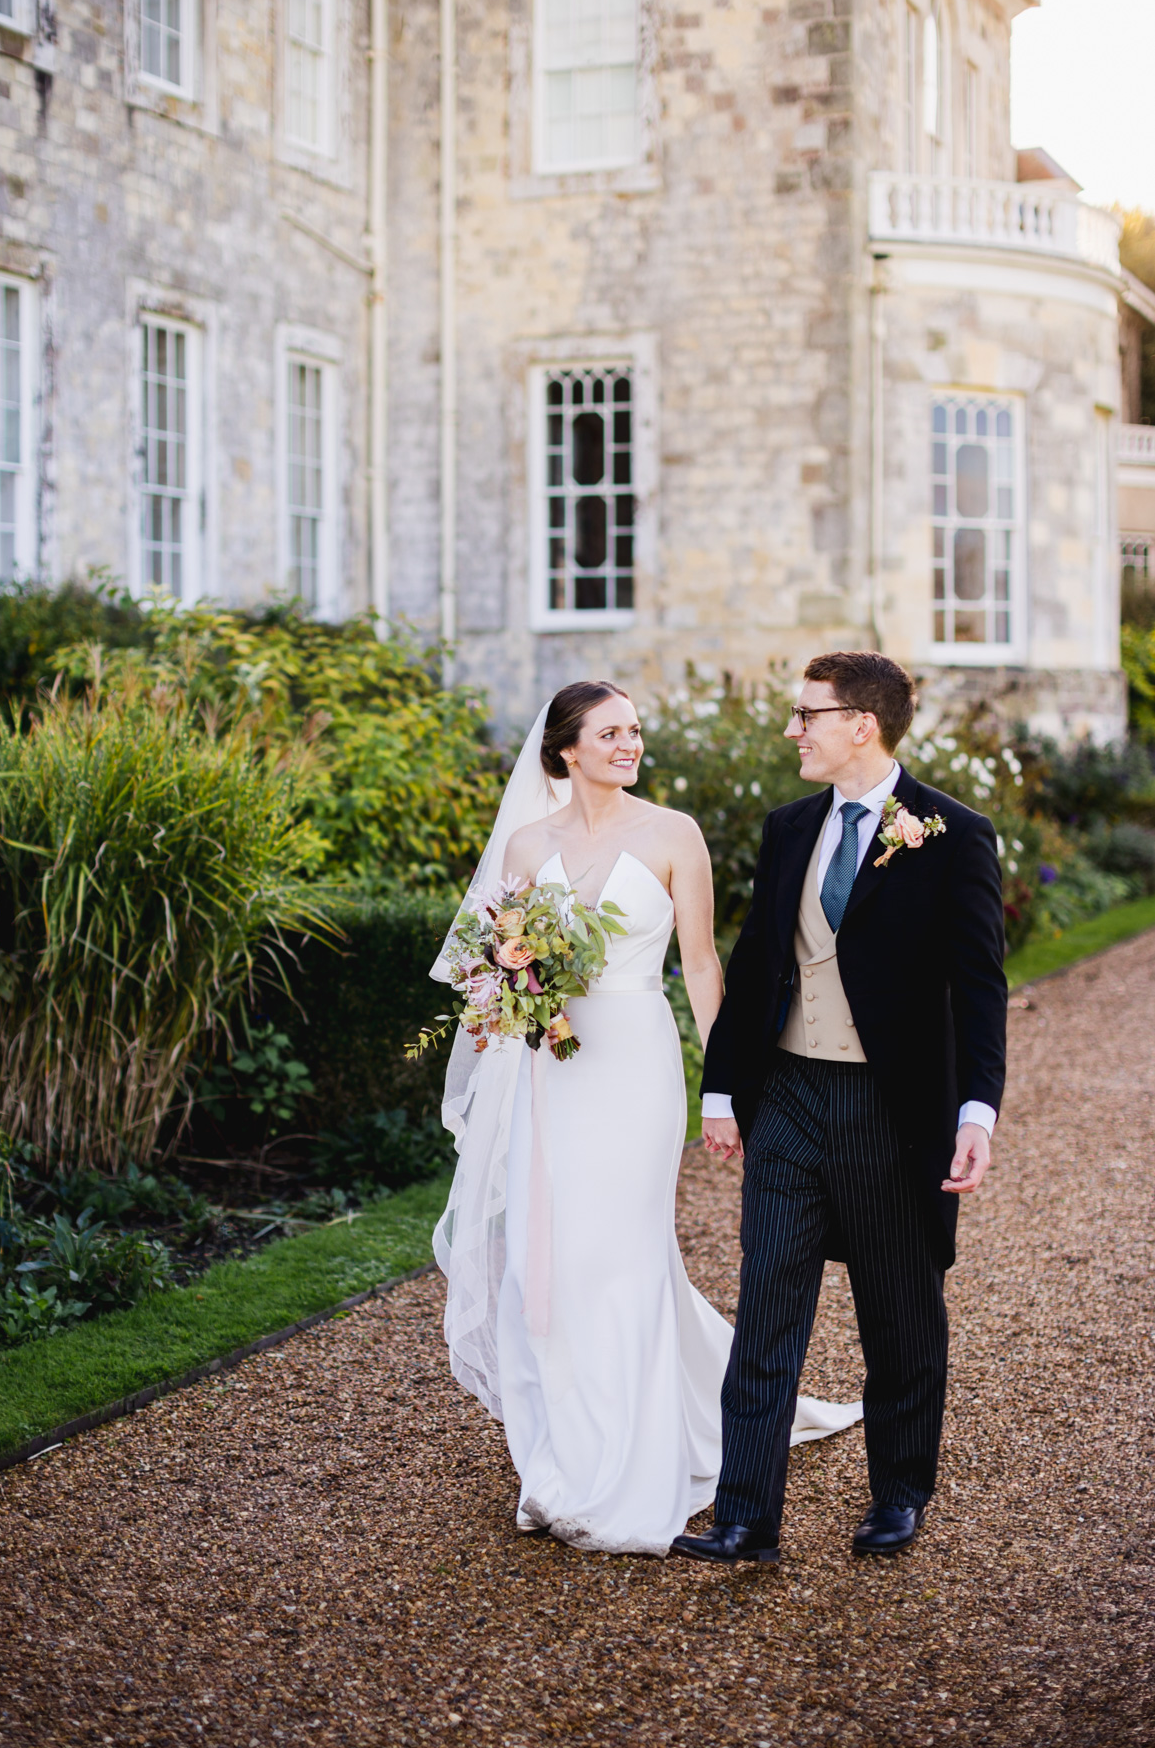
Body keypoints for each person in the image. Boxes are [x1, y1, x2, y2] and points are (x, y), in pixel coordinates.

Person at [431, 681, 861, 1556]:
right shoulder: (526, 844)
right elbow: (490, 967)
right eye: (610, 733)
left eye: (634, 730)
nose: (629, 745)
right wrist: (510, 995)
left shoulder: (673, 834)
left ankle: (629, 1461)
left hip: (635, 1065)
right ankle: (564, 1453)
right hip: (551, 1070)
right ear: (566, 750)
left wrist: (727, 1085)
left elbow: (700, 966)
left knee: (620, 1250)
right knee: (549, 1255)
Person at [671, 651, 1008, 1566]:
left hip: (889, 1109)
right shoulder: (789, 828)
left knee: (897, 1314)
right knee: (766, 1306)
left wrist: (975, 1113)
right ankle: (745, 1517)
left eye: (806, 714)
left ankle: (898, 1493)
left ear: (861, 724)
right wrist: (721, 1089)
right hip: (786, 1096)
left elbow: (980, 988)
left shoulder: (953, 833)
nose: (793, 730)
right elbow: (755, 966)